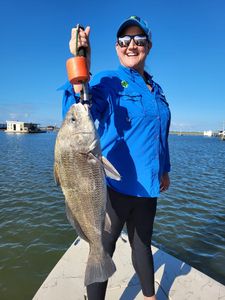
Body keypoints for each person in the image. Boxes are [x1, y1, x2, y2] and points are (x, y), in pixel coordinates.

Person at [61, 16, 171, 300]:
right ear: (117, 47)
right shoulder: (108, 81)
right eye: (124, 40)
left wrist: (165, 170)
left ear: (149, 45)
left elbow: (160, 135)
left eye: (138, 39)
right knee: (102, 248)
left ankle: (149, 297)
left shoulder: (157, 91)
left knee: (142, 244)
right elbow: (80, 106)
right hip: (114, 189)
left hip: (148, 188)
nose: (131, 45)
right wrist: (81, 57)